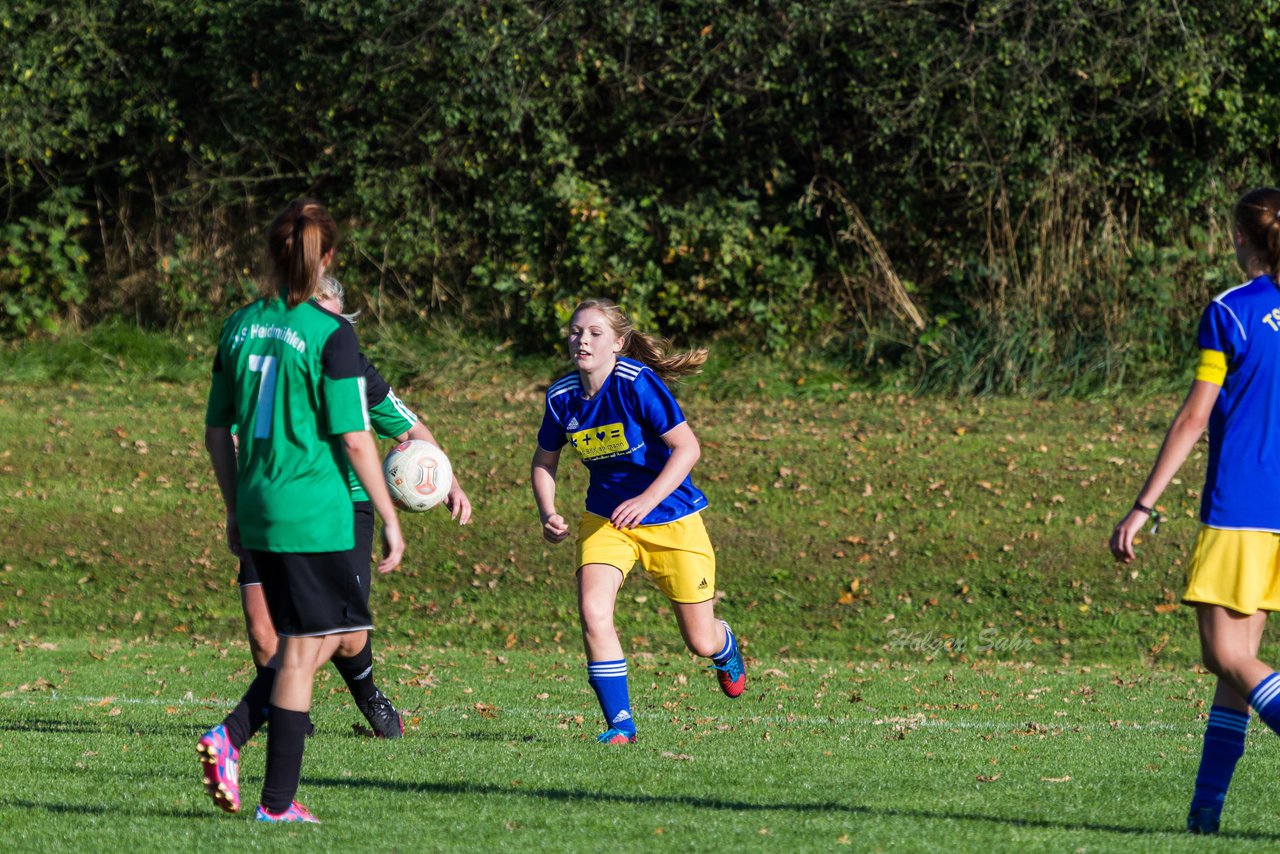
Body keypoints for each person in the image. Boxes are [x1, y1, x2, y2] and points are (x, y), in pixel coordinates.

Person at [199, 198, 405, 824]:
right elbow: (352, 434)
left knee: (310, 640)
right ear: (328, 258)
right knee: (308, 645)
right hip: (312, 512)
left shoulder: (239, 324)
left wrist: (235, 508)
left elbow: (216, 432)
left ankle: (272, 797)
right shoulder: (329, 332)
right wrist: (389, 516)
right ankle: (238, 748)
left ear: (271, 254)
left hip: (259, 504)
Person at [233, 276, 472, 740]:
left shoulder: (355, 372)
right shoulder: (261, 365)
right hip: (272, 505)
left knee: (343, 630)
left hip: (343, 507)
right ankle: (291, 721)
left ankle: (367, 695)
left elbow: (409, 431)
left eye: (337, 319)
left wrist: (448, 482)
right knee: (264, 631)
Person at [1111, 187, 1280, 835]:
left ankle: (1205, 811)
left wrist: (1142, 506)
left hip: (1239, 508)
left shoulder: (1230, 313)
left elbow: (1193, 416)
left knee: (1224, 657)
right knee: (1236, 674)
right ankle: (1203, 814)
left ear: (1241, 239)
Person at [530, 297, 746, 745]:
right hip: (606, 520)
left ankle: (725, 645)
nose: (582, 340)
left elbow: (688, 448)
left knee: (699, 642)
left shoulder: (637, 382)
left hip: (672, 517)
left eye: (594, 333)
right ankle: (620, 725)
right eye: (575, 331)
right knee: (593, 611)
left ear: (618, 343)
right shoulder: (562, 396)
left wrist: (647, 499)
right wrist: (548, 512)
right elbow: (544, 460)